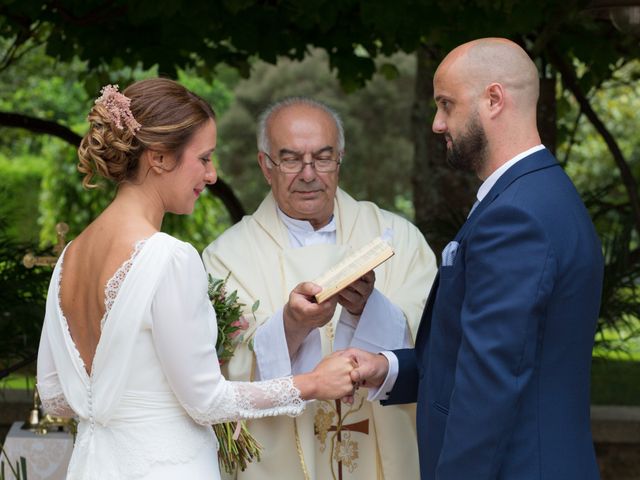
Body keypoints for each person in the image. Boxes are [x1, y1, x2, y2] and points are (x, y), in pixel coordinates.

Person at [36, 78, 357, 480]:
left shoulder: (69, 257)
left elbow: (54, 398)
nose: (211, 175)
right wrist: (312, 383)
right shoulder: (168, 257)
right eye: (203, 158)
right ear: (158, 158)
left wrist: (125, 408)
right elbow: (206, 401)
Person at [344, 38, 605, 480]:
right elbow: (499, 354)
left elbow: (490, 383)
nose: (437, 123)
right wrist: (388, 368)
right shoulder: (537, 194)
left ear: (494, 99)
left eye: (446, 104)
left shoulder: (516, 214)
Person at [202, 97, 437, 479]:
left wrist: (367, 311)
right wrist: (291, 326)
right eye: (291, 159)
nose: (309, 174)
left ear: (340, 159)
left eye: (323, 158)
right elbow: (216, 377)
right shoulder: (226, 258)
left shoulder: (399, 239)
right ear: (266, 166)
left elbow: (436, 345)